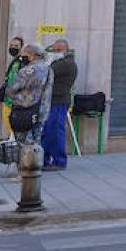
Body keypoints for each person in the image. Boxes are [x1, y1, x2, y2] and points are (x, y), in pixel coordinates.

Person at [7, 41, 52, 156]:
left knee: (23, 142)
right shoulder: (49, 70)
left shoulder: (27, 71)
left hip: (25, 111)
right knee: (36, 141)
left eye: (25, 54)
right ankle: (35, 165)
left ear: (32, 54)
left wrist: (9, 93)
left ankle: (24, 166)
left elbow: (13, 89)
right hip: (42, 110)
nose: (23, 57)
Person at [40, 39, 78, 170]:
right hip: (52, 101)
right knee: (48, 131)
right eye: (54, 50)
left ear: (66, 50)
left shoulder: (66, 64)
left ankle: (59, 161)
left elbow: (46, 71)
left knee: (54, 131)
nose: (55, 53)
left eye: (58, 50)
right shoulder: (59, 62)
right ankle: (45, 160)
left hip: (58, 101)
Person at [0, 36, 25, 137]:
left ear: (21, 48)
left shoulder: (21, 63)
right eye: (11, 45)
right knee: (8, 124)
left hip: (14, 101)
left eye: (16, 46)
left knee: (13, 126)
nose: (13, 48)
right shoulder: (14, 61)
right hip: (8, 99)